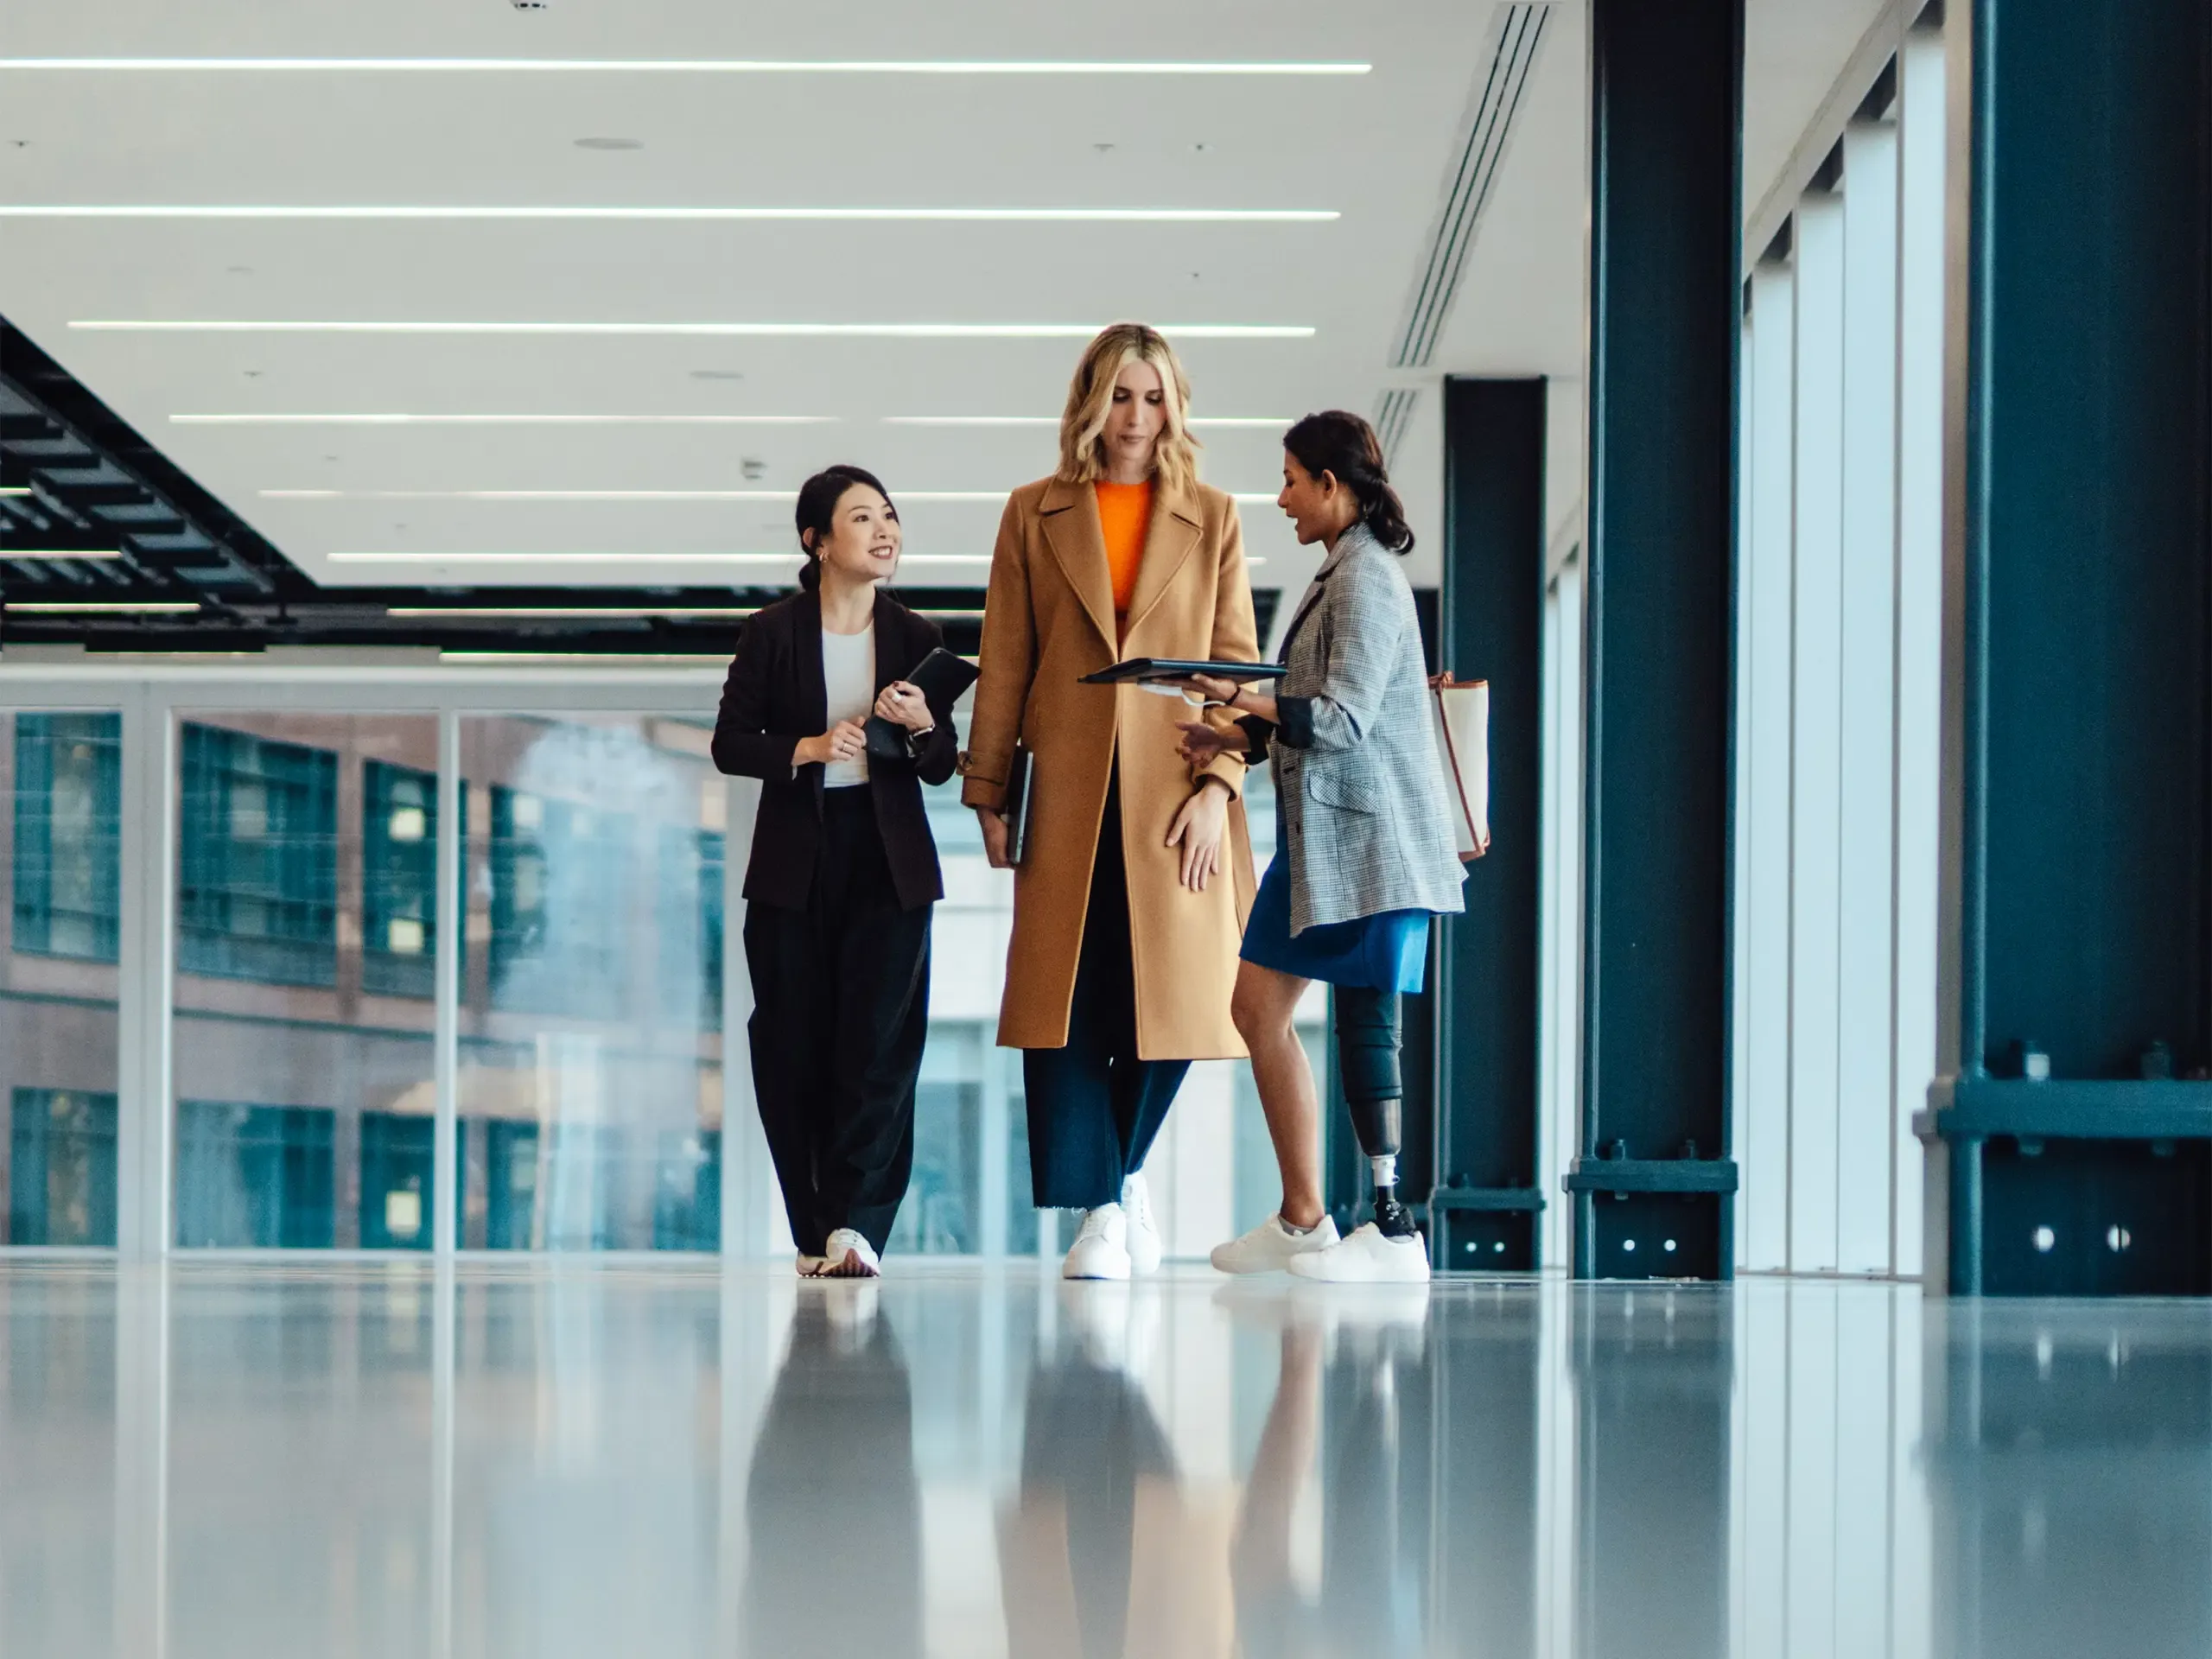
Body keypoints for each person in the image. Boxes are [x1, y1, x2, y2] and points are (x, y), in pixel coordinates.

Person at [961, 321, 1262, 1281]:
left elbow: (1237, 668)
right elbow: (1006, 659)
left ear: (1175, 407)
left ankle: (1122, 1176)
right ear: (1091, 403)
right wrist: (988, 790)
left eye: (1154, 397)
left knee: (1174, 995)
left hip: (1175, 787)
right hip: (1067, 787)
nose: (1137, 417)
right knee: (1065, 998)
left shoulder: (1213, 515)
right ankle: (1101, 1206)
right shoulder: (1031, 512)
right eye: (1121, 396)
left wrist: (1219, 786)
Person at [1181, 412, 1466, 1283]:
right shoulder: (1339, 572)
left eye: (1292, 480)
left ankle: (1393, 1226)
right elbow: (1315, 712)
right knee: (1255, 1009)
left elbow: (1342, 720)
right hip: (1319, 841)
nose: (1282, 498)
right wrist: (1235, 735)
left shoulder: (1368, 578)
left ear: (1332, 485)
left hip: (1371, 841)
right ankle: (1304, 1218)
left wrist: (1243, 697)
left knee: (1366, 1020)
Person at [711, 464, 957, 1278]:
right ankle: (814, 1231)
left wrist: (922, 725)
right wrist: (809, 748)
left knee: (881, 1047)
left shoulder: (917, 635)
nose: (885, 531)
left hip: (891, 861)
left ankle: (858, 1226)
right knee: (792, 1045)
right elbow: (729, 743)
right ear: (816, 541)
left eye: (889, 516)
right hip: (796, 860)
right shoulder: (772, 632)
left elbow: (939, 765)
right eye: (862, 518)